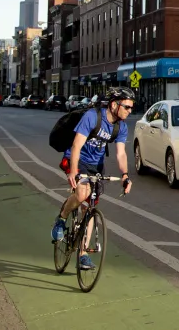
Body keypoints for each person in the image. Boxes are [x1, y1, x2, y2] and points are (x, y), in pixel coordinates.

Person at [51, 87, 135, 270]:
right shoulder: (92, 116)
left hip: (95, 165)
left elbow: (121, 154)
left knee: (90, 207)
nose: (130, 111)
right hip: (76, 159)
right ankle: (61, 218)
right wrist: (73, 171)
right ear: (114, 104)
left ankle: (83, 254)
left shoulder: (121, 126)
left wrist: (125, 175)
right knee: (82, 193)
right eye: (127, 107)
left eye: (131, 108)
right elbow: (76, 145)